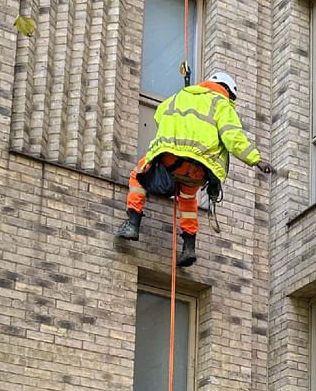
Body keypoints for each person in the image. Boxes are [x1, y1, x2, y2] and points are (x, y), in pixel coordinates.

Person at [114, 71, 273, 267]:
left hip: (171, 159)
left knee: (138, 176)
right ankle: (189, 247)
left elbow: (159, 115)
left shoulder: (180, 95)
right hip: (199, 169)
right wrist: (256, 160)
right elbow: (233, 137)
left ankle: (132, 224)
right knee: (188, 199)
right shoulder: (221, 104)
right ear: (228, 92)